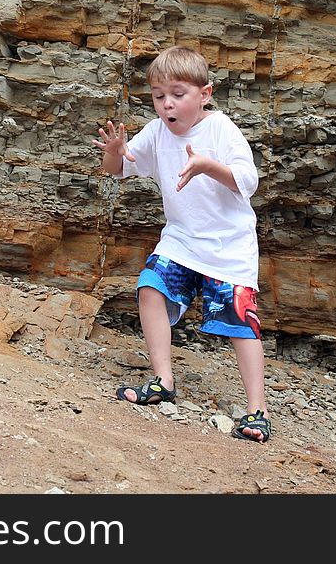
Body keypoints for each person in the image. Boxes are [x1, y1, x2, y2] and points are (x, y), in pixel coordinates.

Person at [91, 45, 270, 443]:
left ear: (204, 94)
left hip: (229, 246)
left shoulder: (221, 129)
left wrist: (207, 165)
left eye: (177, 94)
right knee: (150, 287)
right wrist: (114, 153)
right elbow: (118, 171)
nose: (166, 104)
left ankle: (257, 411)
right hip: (182, 239)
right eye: (158, 96)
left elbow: (248, 181)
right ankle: (162, 379)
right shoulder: (156, 132)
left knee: (241, 324)